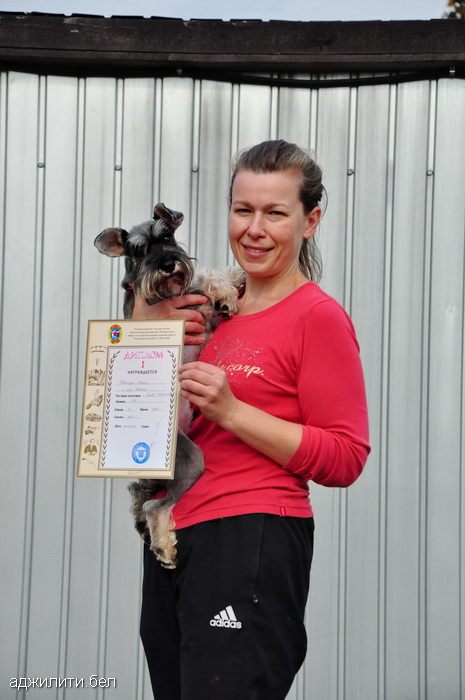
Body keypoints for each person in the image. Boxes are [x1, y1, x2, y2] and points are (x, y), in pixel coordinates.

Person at [132, 139, 370, 700]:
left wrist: (232, 411)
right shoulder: (207, 308)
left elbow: (346, 456)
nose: (254, 229)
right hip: (173, 538)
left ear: (310, 221)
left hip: (251, 536)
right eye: (243, 210)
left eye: (275, 213)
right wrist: (144, 331)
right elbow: (131, 427)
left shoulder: (317, 317)